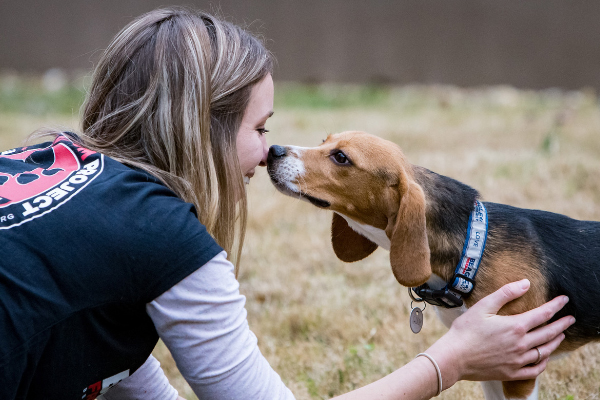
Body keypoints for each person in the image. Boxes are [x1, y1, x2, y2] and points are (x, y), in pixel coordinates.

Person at [0, 7, 574, 400]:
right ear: (202, 130)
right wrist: (451, 361)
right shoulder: (164, 236)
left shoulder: (43, 158)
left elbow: (98, 339)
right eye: (261, 127)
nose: (269, 148)